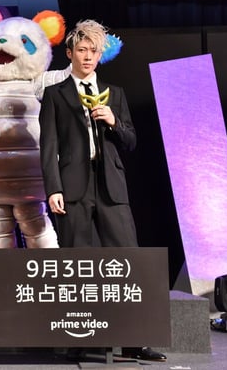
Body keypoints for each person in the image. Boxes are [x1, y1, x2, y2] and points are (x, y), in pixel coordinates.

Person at [38, 19, 166, 363]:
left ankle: (136, 339)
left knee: (127, 260)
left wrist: (114, 122)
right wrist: (53, 189)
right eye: (82, 50)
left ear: (100, 55)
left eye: (93, 51)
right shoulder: (55, 94)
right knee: (77, 263)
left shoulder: (116, 93)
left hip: (111, 184)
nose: (87, 56)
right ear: (69, 53)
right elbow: (48, 148)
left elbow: (131, 141)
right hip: (73, 186)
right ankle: (79, 338)